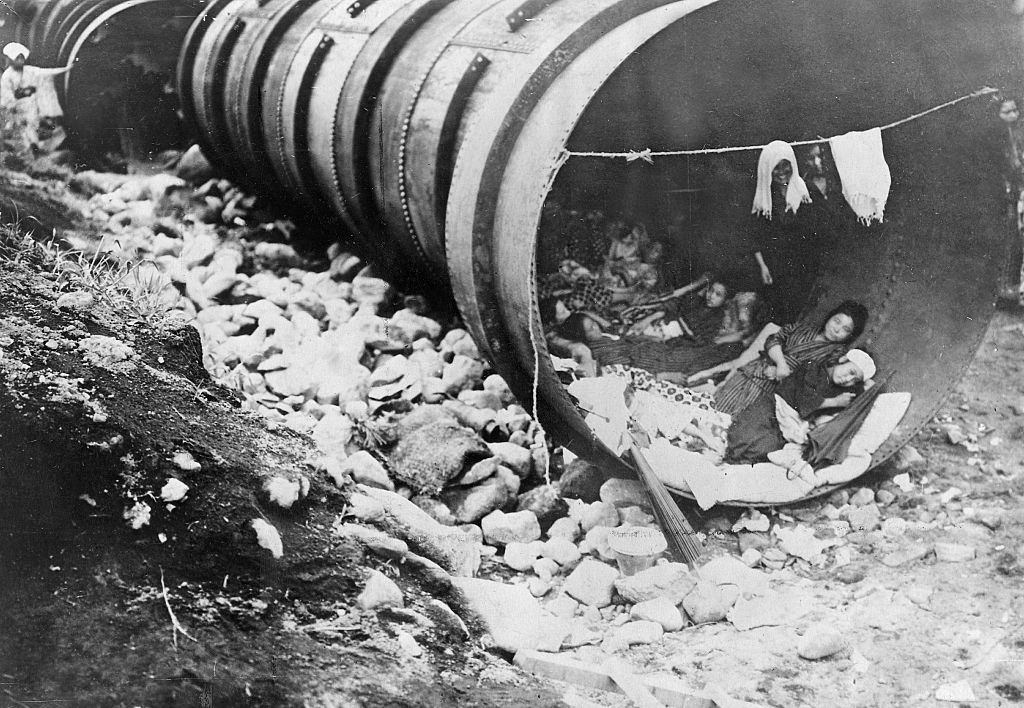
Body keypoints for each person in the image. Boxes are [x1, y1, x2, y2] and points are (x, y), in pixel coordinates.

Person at [708, 300, 869, 417]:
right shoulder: (802, 328)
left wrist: (785, 372)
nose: (837, 329)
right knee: (715, 406)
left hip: (777, 388)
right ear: (830, 317)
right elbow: (773, 340)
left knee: (732, 420)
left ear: (850, 335)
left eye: (845, 329)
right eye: (837, 321)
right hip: (756, 370)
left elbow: (816, 379)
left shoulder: (837, 354)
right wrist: (781, 364)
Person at [724, 349, 876, 465]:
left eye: (854, 380)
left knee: (763, 449)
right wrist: (834, 402)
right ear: (843, 359)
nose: (847, 379)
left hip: (788, 426)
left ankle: (732, 466)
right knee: (742, 434)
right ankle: (725, 455)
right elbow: (804, 400)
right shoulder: (813, 368)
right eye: (851, 372)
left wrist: (865, 386)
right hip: (773, 406)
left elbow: (857, 397)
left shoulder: (840, 392)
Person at [748, 140, 826, 324]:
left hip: (805, 262)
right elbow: (754, 235)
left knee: (801, 306)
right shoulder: (764, 196)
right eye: (776, 168)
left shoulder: (807, 190)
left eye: (786, 165)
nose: (782, 172)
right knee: (778, 308)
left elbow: (822, 227)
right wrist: (763, 266)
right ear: (767, 169)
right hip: (777, 264)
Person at [0, 42, 74, 159]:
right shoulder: (7, 76)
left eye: (21, 58)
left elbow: (45, 72)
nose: (20, 61)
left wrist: (66, 69)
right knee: (22, 130)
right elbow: (6, 95)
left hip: (30, 105)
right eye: (17, 58)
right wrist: (13, 105)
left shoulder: (29, 70)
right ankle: (27, 153)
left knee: (33, 126)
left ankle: (36, 150)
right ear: (11, 59)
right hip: (17, 107)